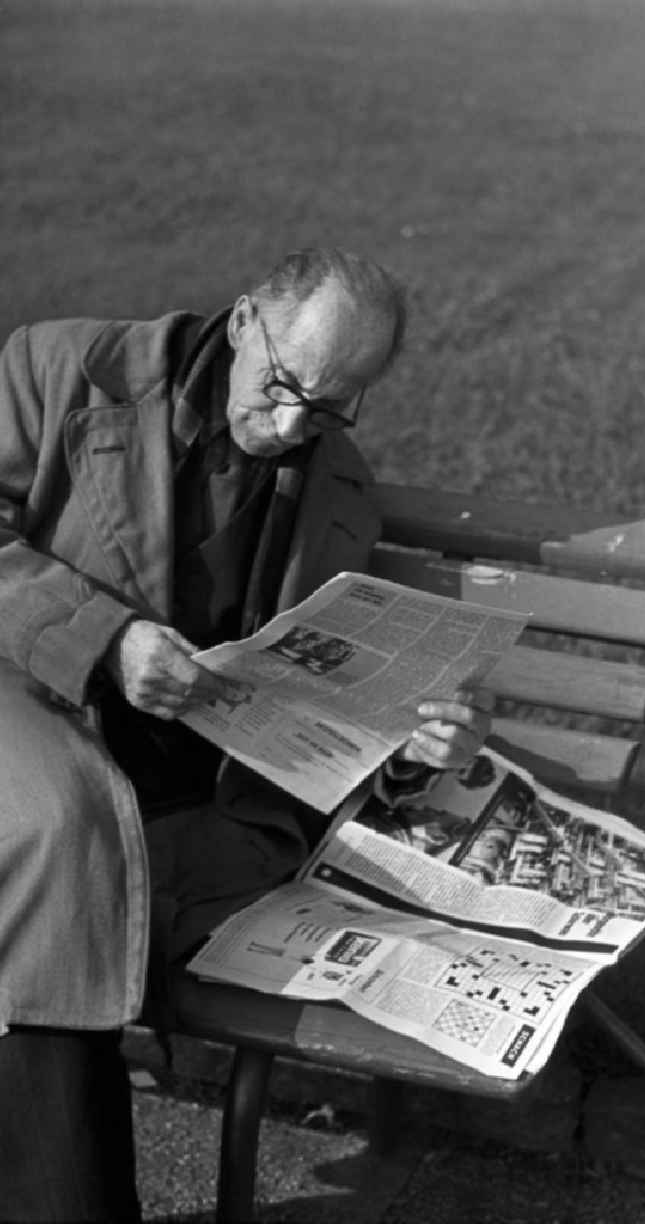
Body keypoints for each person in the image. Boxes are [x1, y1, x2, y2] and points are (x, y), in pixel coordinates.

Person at [0, 247, 493, 1222]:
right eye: (281, 387)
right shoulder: (57, 371)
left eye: (331, 406)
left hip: (197, 794)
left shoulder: (331, 485)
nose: (292, 425)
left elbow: (329, 684)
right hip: (34, 715)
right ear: (240, 322)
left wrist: (416, 740)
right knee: (61, 843)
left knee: (74, 884)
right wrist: (106, 640)